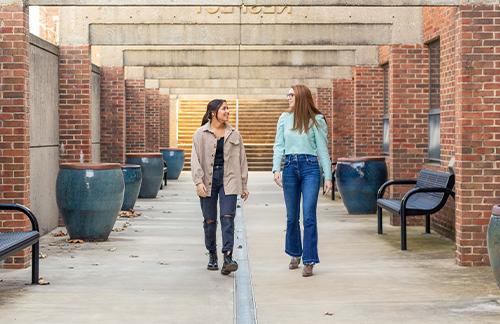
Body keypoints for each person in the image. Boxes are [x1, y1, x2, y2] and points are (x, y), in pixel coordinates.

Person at [272, 85, 333, 277]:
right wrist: (276, 168)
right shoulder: (284, 118)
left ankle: (309, 260)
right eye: (287, 94)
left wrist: (328, 176)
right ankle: (294, 253)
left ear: (300, 97)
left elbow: (322, 149)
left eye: (291, 94)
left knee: (308, 215)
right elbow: (279, 145)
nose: (288, 97)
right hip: (290, 167)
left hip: (310, 169)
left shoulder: (316, 120)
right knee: (292, 217)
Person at [191, 99, 250, 276]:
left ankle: (228, 257)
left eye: (228, 108)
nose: (227, 111)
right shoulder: (200, 134)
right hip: (207, 180)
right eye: (224, 109)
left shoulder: (234, 134)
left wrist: (244, 184)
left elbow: (242, 160)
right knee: (209, 221)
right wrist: (198, 181)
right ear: (213, 113)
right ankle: (212, 255)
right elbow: (195, 160)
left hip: (229, 179)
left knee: (227, 217)